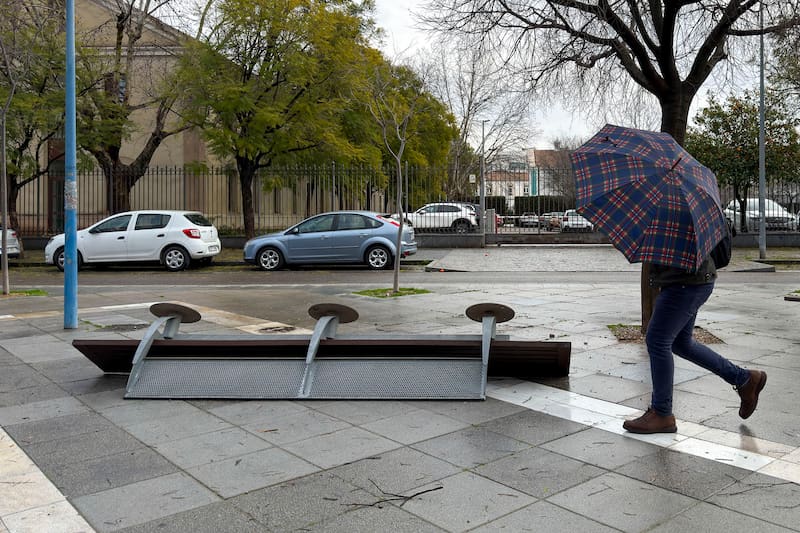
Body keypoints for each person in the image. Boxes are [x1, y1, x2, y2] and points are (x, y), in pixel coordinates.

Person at [622, 256, 767, 434]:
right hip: (691, 280)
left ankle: (662, 413)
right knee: (680, 343)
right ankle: (744, 379)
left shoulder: (678, 227)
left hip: (684, 282)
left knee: (657, 341)